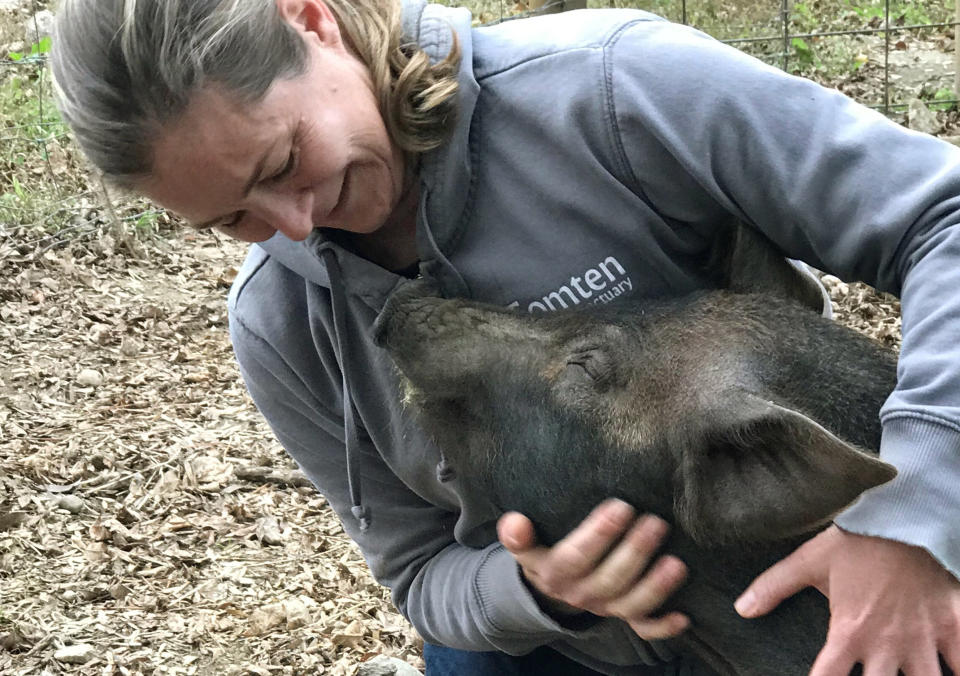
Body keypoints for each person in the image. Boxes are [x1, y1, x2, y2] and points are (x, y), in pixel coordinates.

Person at [51, 0, 960, 674]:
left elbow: (944, 219)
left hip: (839, 552)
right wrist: (536, 594)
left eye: (284, 163)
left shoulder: (614, 90)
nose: (294, 226)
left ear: (312, 21)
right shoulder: (277, 321)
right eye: (232, 220)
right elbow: (418, 573)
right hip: (562, 647)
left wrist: (912, 520)